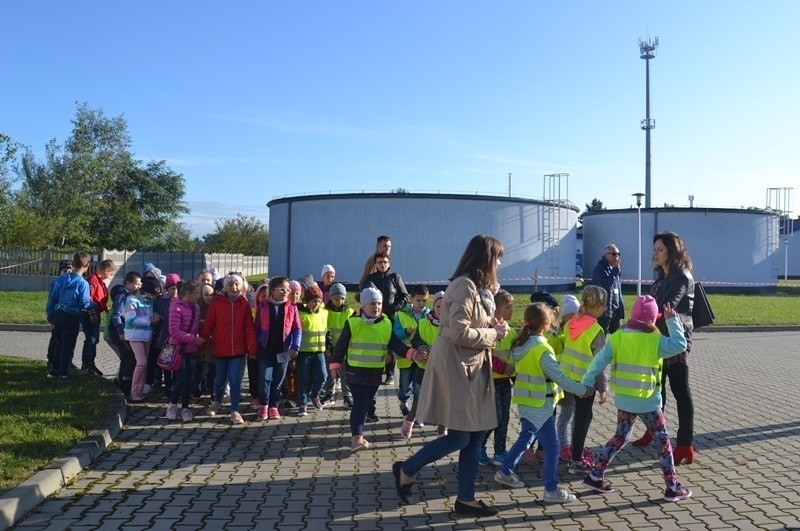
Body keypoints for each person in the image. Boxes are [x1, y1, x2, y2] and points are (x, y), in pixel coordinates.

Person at [393, 234, 510, 518]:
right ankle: (406, 468)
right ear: (486, 258)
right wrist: (494, 333)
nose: (500, 262)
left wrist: (490, 324)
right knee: (460, 437)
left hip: (469, 366)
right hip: (458, 368)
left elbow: (470, 324)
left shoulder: (480, 289)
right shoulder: (463, 286)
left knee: (474, 433)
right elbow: (459, 332)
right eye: (498, 257)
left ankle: (466, 499)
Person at [581, 296, 693, 502]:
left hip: (625, 399)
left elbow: (599, 360)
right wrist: (672, 320)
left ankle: (595, 475)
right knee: (663, 442)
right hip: (648, 401)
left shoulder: (617, 336)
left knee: (620, 437)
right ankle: (672, 487)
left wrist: (587, 380)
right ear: (652, 319)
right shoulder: (655, 339)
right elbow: (680, 344)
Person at [493, 302, 589, 503]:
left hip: (527, 402)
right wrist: (582, 390)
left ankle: (505, 471)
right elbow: (559, 378)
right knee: (553, 448)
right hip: (540, 406)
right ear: (546, 323)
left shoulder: (522, 344)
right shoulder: (542, 349)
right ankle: (551, 490)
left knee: (526, 437)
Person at [632, 231, 696, 465]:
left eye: (660, 249)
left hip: (675, 340)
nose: (655, 253)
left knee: (680, 390)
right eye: (655, 249)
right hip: (657, 338)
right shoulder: (661, 275)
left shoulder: (681, 276)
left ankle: (685, 444)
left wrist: (642, 316)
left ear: (672, 251)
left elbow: (667, 305)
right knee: (656, 388)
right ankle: (653, 430)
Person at [329, 287, 408, 451]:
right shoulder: (353, 322)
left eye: (379, 303)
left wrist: (412, 353)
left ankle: (359, 435)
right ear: (363, 306)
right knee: (360, 403)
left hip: (375, 373)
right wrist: (335, 364)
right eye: (372, 303)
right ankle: (356, 438)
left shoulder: (386, 323)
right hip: (355, 371)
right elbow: (341, 346)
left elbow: (396, 345)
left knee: (367, 404)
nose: (376, 307)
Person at [558, 285, 609, 476]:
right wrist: (603, 387)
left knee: (584, 417)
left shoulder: (571, 322)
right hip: (585, 382)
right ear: (596, 307)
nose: (604, 310)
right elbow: (599, 362)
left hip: (567, 377)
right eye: (603, 306)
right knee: (582, 418)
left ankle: (573, 450)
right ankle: (576, 460)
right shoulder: (596, 330)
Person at [200, 273, 258, 424]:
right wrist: (201, 340)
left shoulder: (244, 303)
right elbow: (209, 324)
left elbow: (249, 327)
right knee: (219, 379)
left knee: (234, 379)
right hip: (220, 348)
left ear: (241, 286)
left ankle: (234, 410)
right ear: (225, 287)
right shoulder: (216, 302)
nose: (234, 287)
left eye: (237, 284)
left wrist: (252, 348)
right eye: (230, 285)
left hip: (238, 350)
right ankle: (216, 402)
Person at [254, 276, 302, 420]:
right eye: (282, 289)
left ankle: (274, 406)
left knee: (278, 380)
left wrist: (295, 346)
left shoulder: (292, 307)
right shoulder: (263, 306)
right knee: (265, 378)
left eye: (288, 289)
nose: (286, 292)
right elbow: (256, 328)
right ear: (273, 290)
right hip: (265, 349)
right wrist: (255, 346)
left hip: (283, 350)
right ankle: (264, 405)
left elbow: (297, 329)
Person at [479, 289, 517, 467]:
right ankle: (479, 447)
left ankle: (500, 452)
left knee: (505, 418)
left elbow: (515, 356)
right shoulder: (489, 330)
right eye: (508, 307)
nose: (512, 310)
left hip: (504, 382)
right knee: (495, 417)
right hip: (490, 381)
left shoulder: (513, 333)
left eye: (512, 306)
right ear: (495, 309)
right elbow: (486, 356)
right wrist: (505, 368)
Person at [401, 290, 445, 439]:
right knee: (419, 401)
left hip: (443, 370)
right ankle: (409, 420)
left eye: (446, 307)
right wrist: (421, 347)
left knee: (443, 401)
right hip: (424, 368)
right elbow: (415, 340)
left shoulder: (452, 324)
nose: (442, 310)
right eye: (439, 306)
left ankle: (442, 431)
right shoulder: (423, 322)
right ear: (434, 306)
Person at [46, 252, 95, 380]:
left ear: (72, 264)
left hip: (58, 314)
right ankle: (64, 373)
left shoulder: (61, 279)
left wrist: (50, 313)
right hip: (71, 316)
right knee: (68, 346)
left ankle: (54, 371)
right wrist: (94, 305)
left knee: (59, 343)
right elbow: (84, 302)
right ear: (87, 265)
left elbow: (53, 297)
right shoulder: (82, 283)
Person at [364, 251, 409, 387]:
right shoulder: (370, 278)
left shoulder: (395, 277)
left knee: (390, 346)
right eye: (379, 262)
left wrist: (394, 308)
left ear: (389, 263)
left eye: (385, 262)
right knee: (377, 346)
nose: (382, 264)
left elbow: (404, 296)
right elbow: (366, 295)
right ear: (375, 264)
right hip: (374, 318)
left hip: (390, 318)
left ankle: (390, 374)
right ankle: (375, 371)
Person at [165, 280, 204, 422]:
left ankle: (185, 407)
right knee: (181, 378)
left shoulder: (196, 307)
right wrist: (193, 339)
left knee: (190, 380)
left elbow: (194, 327)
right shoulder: (176, 307)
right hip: (178, 349)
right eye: (197, 293)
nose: (199, 296)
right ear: (188, 293)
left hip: (191, 349)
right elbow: (174, 331)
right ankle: (173, 404)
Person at [393, 284, 430, 420]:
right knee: (404, 385)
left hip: (422, 359)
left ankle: (417, 412)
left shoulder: (429, 316)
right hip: (406, 357)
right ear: (411, 299)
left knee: (418, 386)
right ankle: (403, 401)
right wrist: (406, 332)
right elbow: (395, 334)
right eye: (418, 300)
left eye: (424, 300)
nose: (421, 303)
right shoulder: (402, 314)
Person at [123, 277, 162, 401]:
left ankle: (140, 391)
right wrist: (149, 321)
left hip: (146, 335)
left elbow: (150, 314)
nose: (152, 297)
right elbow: (131, 320)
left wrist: (154, 317)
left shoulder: (148, 302)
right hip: (134, 335)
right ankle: (134, 392)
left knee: (145, 364)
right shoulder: (132, 301)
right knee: (141, 362)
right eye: (151, 294)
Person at [296, 288, 329, 416]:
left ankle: (315, 395)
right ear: (307, 302)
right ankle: (302, 403)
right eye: (314, 301)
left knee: (323, 376)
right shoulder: (300, 314)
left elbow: (327, 331)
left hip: (319, 352)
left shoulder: (323, 313)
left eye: (319, 301)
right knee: (303, 378)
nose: (316, 304)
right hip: (303, 352)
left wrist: (329, 347)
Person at [108, 271, 141, 396]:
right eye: (136, 284)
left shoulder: (131, 295)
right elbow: (117, 315)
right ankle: (125, 385)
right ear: (128, 283)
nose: (138, 286)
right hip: (118, 330)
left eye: (139, 283)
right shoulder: (122, 296)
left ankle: (122, 382)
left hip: (125, 330)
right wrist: (120, 331)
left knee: (127, 356)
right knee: (129, 355)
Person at [81, 259, 116, 376]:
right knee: (91, 339)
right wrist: (91, 313)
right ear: (106, 270)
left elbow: (100, 298)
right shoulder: (93, 280)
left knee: (94, 339)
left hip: (96, 312)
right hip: (90, 313)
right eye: (110, 273)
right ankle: (87, 364)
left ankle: (90, 363)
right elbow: (89, 298)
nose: (110, 276)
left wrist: (106, 309)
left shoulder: (99, 281)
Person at [321, 283, 353, 408]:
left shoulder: (349, 313)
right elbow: (323, 330)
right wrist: (328, 347)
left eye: (342, 298)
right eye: (336, 299)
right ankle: (329, 395)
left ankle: (347, 396)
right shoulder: (325, 312)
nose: (339, 301)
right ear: (330, 298)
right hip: (330, 348)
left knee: (345, 373)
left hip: (345, 349)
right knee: (330, 373)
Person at [151, 273, 181, 399]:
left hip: (178, 339)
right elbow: (156, 313)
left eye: (177, 289)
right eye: (172, 288)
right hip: (165, 339)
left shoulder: (181, 302)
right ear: (167, 289)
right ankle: (168, 387)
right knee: (167, 364)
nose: (175, 291)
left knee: (177, 365)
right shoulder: (161, 302)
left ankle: (176, 386)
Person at [591, 244, 624, 334]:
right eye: (614, 254)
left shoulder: (615, 270)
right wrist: (615, 271)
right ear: (606, 255)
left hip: (615, 312)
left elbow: (618, 289)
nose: (616, 257)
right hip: (604, 313)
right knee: (601, 339)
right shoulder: (599, 269)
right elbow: (605, 285)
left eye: (618, 254)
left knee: (618, 337)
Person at [47, 259, 73, 369]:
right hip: (57, 313)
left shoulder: (72, 281)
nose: (67, 273)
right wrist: (50, 315)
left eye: (69, 271)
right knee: (56, 338)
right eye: (64, 271)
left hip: (67, 313)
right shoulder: (56, 282)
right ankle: (51, 359)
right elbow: (52, 299)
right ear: (60, 271)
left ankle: (66, 361)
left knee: (66, 340)